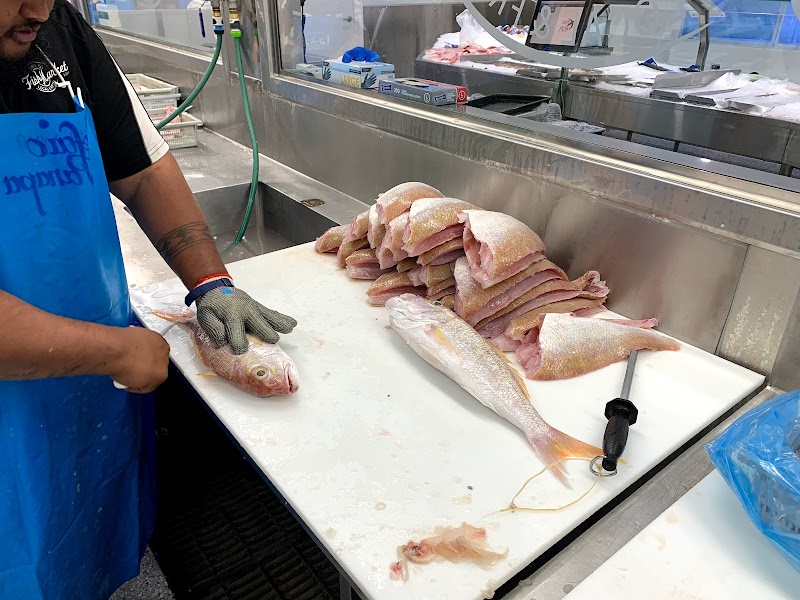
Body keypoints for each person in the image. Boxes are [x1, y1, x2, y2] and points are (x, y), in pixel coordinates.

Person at [0, 0, 297, 597]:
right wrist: (113, 352)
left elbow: (141, 168)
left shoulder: (56, 29)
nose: (38, 8)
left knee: (79, 546)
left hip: (90, 392)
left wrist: (212, 283)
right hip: (32, 403)